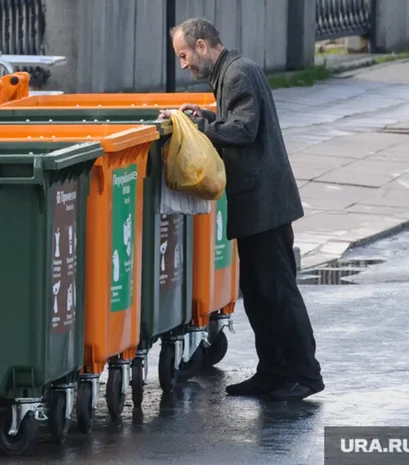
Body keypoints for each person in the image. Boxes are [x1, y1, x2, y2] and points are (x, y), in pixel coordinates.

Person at [160, 17, 324, 401]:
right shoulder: (231, 73)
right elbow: (236, 124)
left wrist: (200, 126)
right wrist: (206, 119)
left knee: (278, 292)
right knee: (258, 291)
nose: (183, 64)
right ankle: (272, 372)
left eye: (184, 55)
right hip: (257, 202)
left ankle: (304, 373)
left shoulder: (237, 74)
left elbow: (244, 131)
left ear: (202, 46)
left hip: (266, 204)